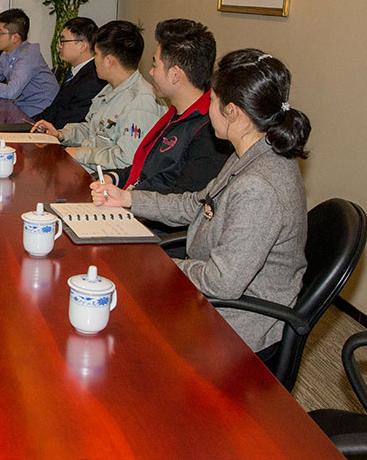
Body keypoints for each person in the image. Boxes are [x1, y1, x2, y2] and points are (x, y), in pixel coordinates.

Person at [90, 49, 311, 354]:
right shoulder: (253, 151)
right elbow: (197, 205)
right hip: (214, 296)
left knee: (120, 323)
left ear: (232, 112)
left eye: (213, 100)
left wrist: (162, 266)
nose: (207, 109)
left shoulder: (258, 187)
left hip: (234, 324)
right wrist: (128, 199)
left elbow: (221, 283)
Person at [102, 19, 230, 194]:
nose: (151, 72)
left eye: (155, 65)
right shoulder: (175, 113)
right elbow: (148, 170)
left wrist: (127, 199)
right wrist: (113, 178)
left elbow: (182, 202)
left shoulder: (207, 133)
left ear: (175, 74)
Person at [32, 20, 166, 171]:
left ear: (109, 61)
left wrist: (80, 154)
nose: (94, 60)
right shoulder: (110, 88)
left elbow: (126, 159)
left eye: (96, 54)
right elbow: (92, 128)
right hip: (86, 168)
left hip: (103, 178)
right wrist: (62, 134)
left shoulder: (141, 102)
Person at [30, 17, 106, 128]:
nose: (59, 45)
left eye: (63, 41)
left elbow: (70, 121)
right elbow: (55, 108)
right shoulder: (75, 71)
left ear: (82, 46)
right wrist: (30, 123)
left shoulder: (93, 80)